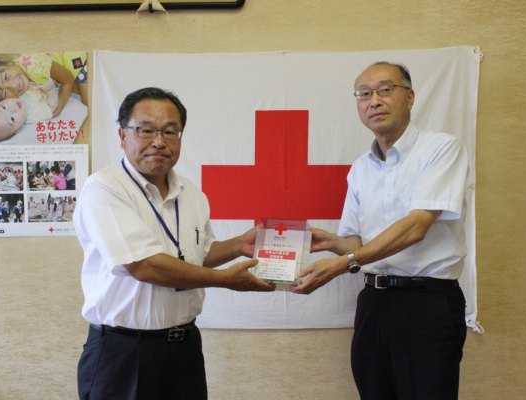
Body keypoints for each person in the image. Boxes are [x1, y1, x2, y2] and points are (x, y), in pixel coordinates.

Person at [74, 87, 275, 400]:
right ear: (123, 136)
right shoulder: (104, 188)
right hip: (123, 352)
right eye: (146, 130)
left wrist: (240, 245)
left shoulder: (191, 192)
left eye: (170, 131)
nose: (159, 141)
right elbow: (144, 265)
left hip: (184, 348)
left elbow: (197, 255)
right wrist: (224, 280)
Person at [291, 62, 469, 400]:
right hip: (373, 303)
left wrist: (345, 263)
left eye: (385, 90)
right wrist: (330, 242)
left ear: (410, 97)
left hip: (426, 303)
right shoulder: (361, 168)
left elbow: (416, 226)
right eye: (364, 94)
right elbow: (355, 243)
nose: (374, 101)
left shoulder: (441, 149)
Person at [0, 51, 88, 116]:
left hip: (77, 61)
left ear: (6, 62)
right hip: (66, 71)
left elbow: (68, 79)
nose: (13, 86)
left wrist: (59, 108)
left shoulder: (34, 65)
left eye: (6, 77)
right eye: (6, 93)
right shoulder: (23, 90)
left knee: (88, 104)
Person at [0, 78, 58, 142]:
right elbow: (51, 107)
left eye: (3, 107)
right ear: (19, 129)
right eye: (12, 119)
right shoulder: (34, 115)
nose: (12, 109)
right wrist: (50, 90)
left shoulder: (10, 95)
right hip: (53, 85)